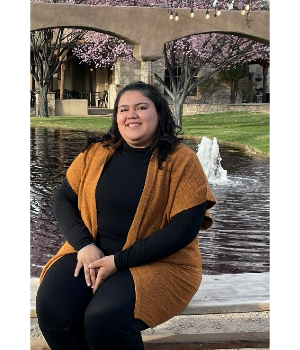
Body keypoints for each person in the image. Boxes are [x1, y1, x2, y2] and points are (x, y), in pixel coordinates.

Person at [36, 81, 216, 350]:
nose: (131, 114)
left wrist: (118, 262)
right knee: (53, 309)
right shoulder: (96, 153)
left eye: (141, 107)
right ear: (116, 116)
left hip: (160, 263)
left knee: (104, 319)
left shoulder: (181, 160)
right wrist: (84, 245)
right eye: (123, 109)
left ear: (159, 114)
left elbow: (183, 230)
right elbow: (63, 199)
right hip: (92, 252)